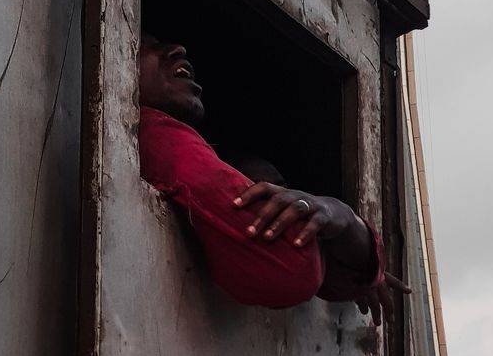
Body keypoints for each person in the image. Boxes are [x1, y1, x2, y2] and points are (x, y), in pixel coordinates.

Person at [138, 32, 407, 323]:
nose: (178, 48)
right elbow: (294, 264)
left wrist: (342, 221)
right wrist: (343, 225)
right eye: (147, 44)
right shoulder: (155, 134)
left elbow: (334, 272)